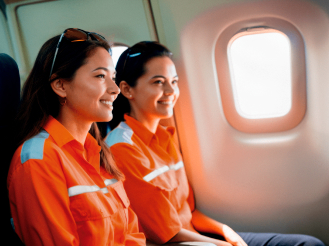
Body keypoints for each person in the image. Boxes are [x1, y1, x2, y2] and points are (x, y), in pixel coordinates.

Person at [105, 41, 326, 246]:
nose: (171, 92)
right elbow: (168, 234)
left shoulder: (165, 138)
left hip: (197, 236)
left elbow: (188, 212)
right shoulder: (123, 149)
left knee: (308, 244)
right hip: (179, 243)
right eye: (158, 82)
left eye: (174, 82)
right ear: (126, 89)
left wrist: (225, 231)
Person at [7, 28, 146, 246]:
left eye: (113, 78)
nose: (115, 89)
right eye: (100, 76)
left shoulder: (98, 152)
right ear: (60, 85)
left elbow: (131, 236)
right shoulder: (39, 160)